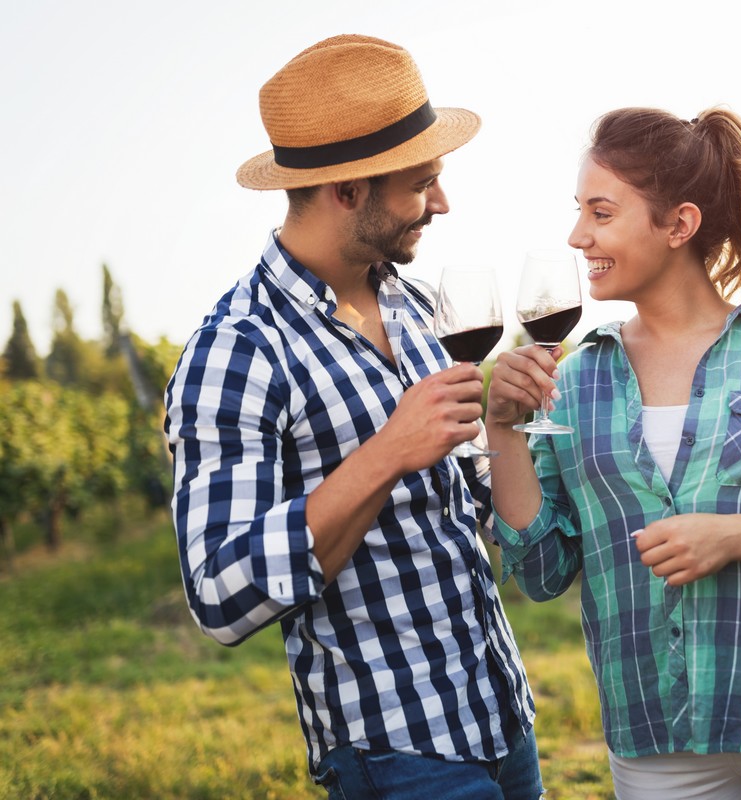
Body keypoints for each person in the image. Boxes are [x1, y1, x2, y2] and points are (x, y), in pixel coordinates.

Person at [484, 106, 741, 800]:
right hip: (656, 736)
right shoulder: (575, 379)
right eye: (579, 211)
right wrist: (503, 431)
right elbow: (541, 570)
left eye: (601, 212)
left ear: (678, 225)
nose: (577, 235)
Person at [163, 35, 541, 800]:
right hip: (396, 751)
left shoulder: (418, 305)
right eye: (421, 185)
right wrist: (386, 452)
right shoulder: (237, 350)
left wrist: (505, 429)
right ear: (347, 192)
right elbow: (218, 592)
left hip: (502, 715)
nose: (441, 203)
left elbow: (469, 509)